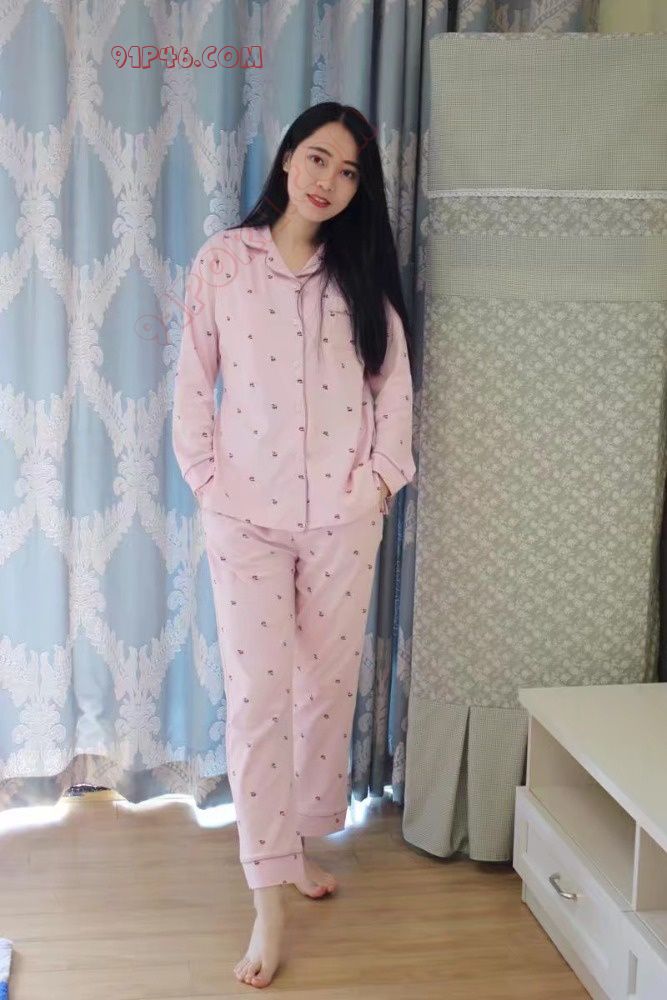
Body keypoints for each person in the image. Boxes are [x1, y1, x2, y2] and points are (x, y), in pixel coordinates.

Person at [172, 101, 416, 989]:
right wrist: (208, 480)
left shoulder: (360, 276)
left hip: (343, 520)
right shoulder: (224, 263)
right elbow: (193, 381)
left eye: (348, 172)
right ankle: (266, 898)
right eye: (317, 159)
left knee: (325, 690)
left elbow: (393, 390)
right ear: (285, 160)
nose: (327, 181)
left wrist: (379, 480)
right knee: (257, 702)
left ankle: (299, 845)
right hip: (244, 517)